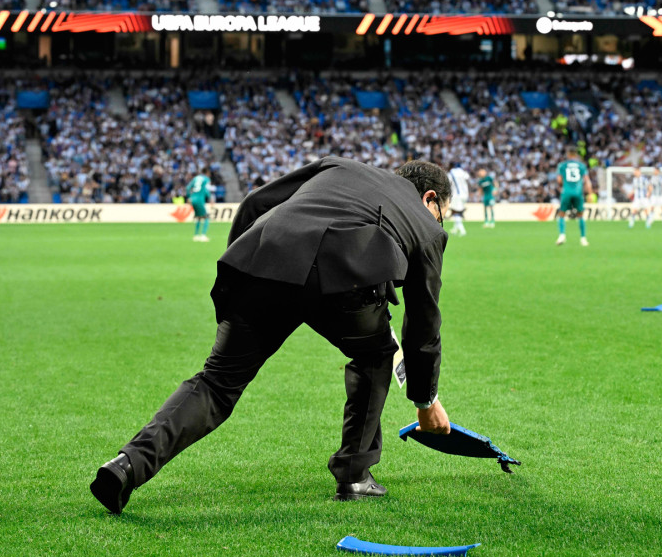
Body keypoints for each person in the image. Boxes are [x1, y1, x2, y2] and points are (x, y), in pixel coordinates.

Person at [90, 157, 453, 513]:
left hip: (261, 262)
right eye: (442, 214)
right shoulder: (427, 225)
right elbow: (423, 324)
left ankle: (126, 465)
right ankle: (354, 476)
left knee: (216, 383)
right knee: (376, 356)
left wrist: (243, 271)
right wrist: (424, 401)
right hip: (344, 275)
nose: (438, 222)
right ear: (430, 199)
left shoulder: (340, 165)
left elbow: (255, 203)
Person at [555, 148, 593, 246]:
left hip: (566, 192)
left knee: (562, 214)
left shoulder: (562, 165)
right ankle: (583, 238)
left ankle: (562, 235)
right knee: (580, 215)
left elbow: (559, 180)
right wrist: (590, 193)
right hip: (578, 192)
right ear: (576, 155)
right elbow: (587, 181)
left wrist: (563, 186)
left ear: (568, 154)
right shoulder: (581, 166)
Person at [187, 167, 213, 241]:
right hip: (199, 200)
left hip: (192, 199)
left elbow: (188, 188)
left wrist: (189, 197)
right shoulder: (206, 179)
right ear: (207, 172)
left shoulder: (195, 178)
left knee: (198, 217)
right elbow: (205, 189)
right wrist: (210, 198)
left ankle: (196, 235)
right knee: (206, 217)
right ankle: (203, 235)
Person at [447, 164, 470, 236]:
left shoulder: (451, 173)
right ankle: (455, 228)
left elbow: (448, 182)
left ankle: (462, 229)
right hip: (465, 194)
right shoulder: (463, 172)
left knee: (456, 212)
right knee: (457, 210)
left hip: (456, 194)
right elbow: (467, 178)